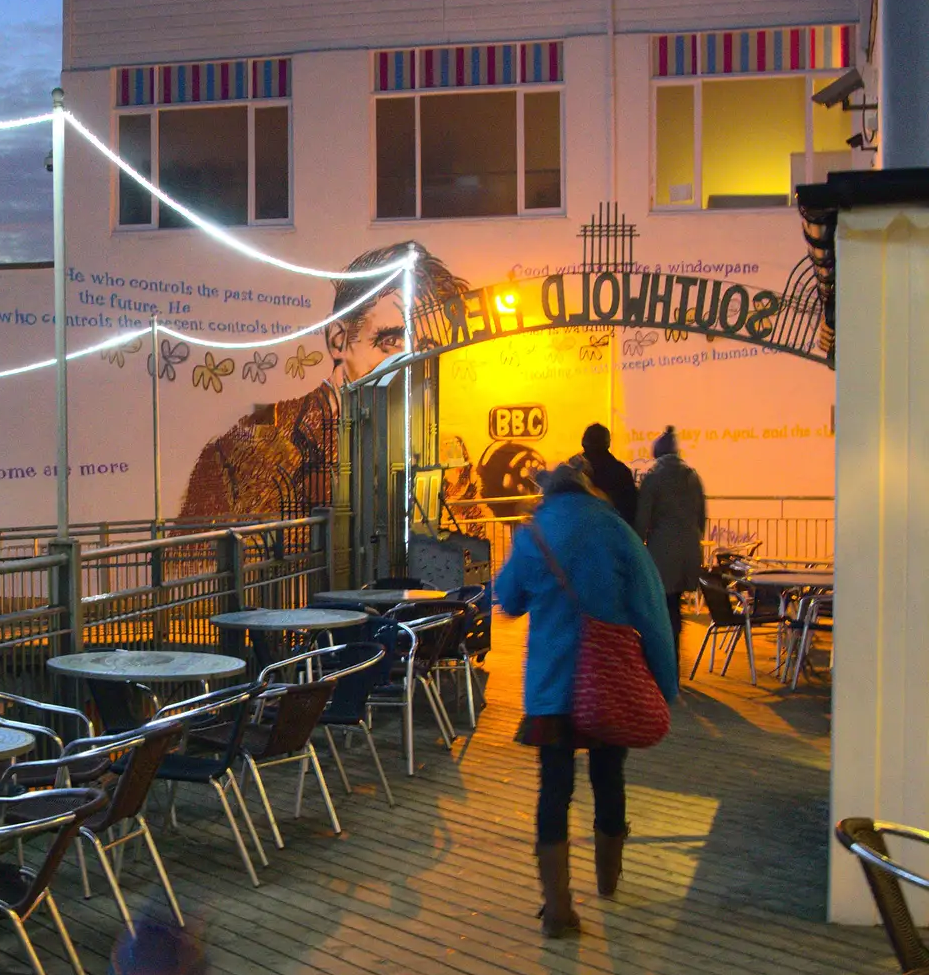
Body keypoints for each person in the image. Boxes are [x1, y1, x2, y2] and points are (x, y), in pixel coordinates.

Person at [496, 458, 677, 938]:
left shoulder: (533, 534)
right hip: (608, 681)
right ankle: (608, 882)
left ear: (548, 494)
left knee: (553, 791)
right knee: (608, 777)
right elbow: (652, 609)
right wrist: (665, 683)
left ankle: (557, 910)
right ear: (587, 488)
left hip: (551, 688)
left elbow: (508, 598)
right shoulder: (614, 529)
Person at [178, 242, 467, 518]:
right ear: (338, 340)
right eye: (391, 341)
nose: (407, 365)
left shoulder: (442, 454)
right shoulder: (244, 452)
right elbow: (196, 564)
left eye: (426, 349)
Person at [636, 425, 709, 662]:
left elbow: (642, 520)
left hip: (662, 554)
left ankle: (666, 662)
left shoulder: (653, 479)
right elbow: (701, 517)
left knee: (662, 608)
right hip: (688, 552)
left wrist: (638, 548)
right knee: (675, 606)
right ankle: (675, 658)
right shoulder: (692, 477)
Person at [580, 423, 638, 527]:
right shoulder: (621, 472)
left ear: (584, 444)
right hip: (615, 534)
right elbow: (631, 512)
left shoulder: (575, 472)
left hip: (581, 536)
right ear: (608, 444)